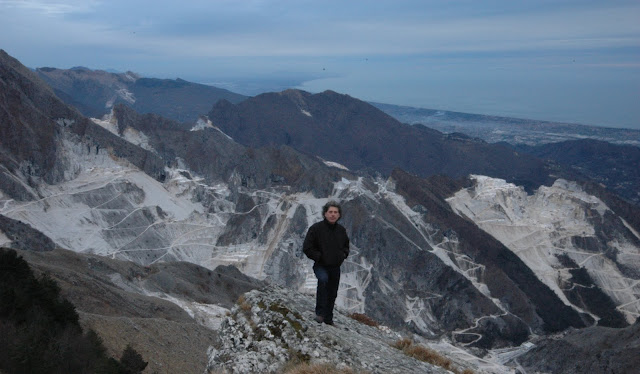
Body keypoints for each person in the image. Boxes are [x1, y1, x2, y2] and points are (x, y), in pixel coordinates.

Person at [303, 201, 350, 325]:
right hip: (321, 265)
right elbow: (307, 247)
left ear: (339, 215)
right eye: (330, 212)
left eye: (335, 212)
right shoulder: (316, 229)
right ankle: (320, 314)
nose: (333, 215)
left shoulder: (341, 230)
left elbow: (346, 246)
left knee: (333, 291)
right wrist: (319, 257)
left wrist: (343, 255)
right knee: (323, 282)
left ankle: (328, 318)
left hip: (335, 266)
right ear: (325, 213)